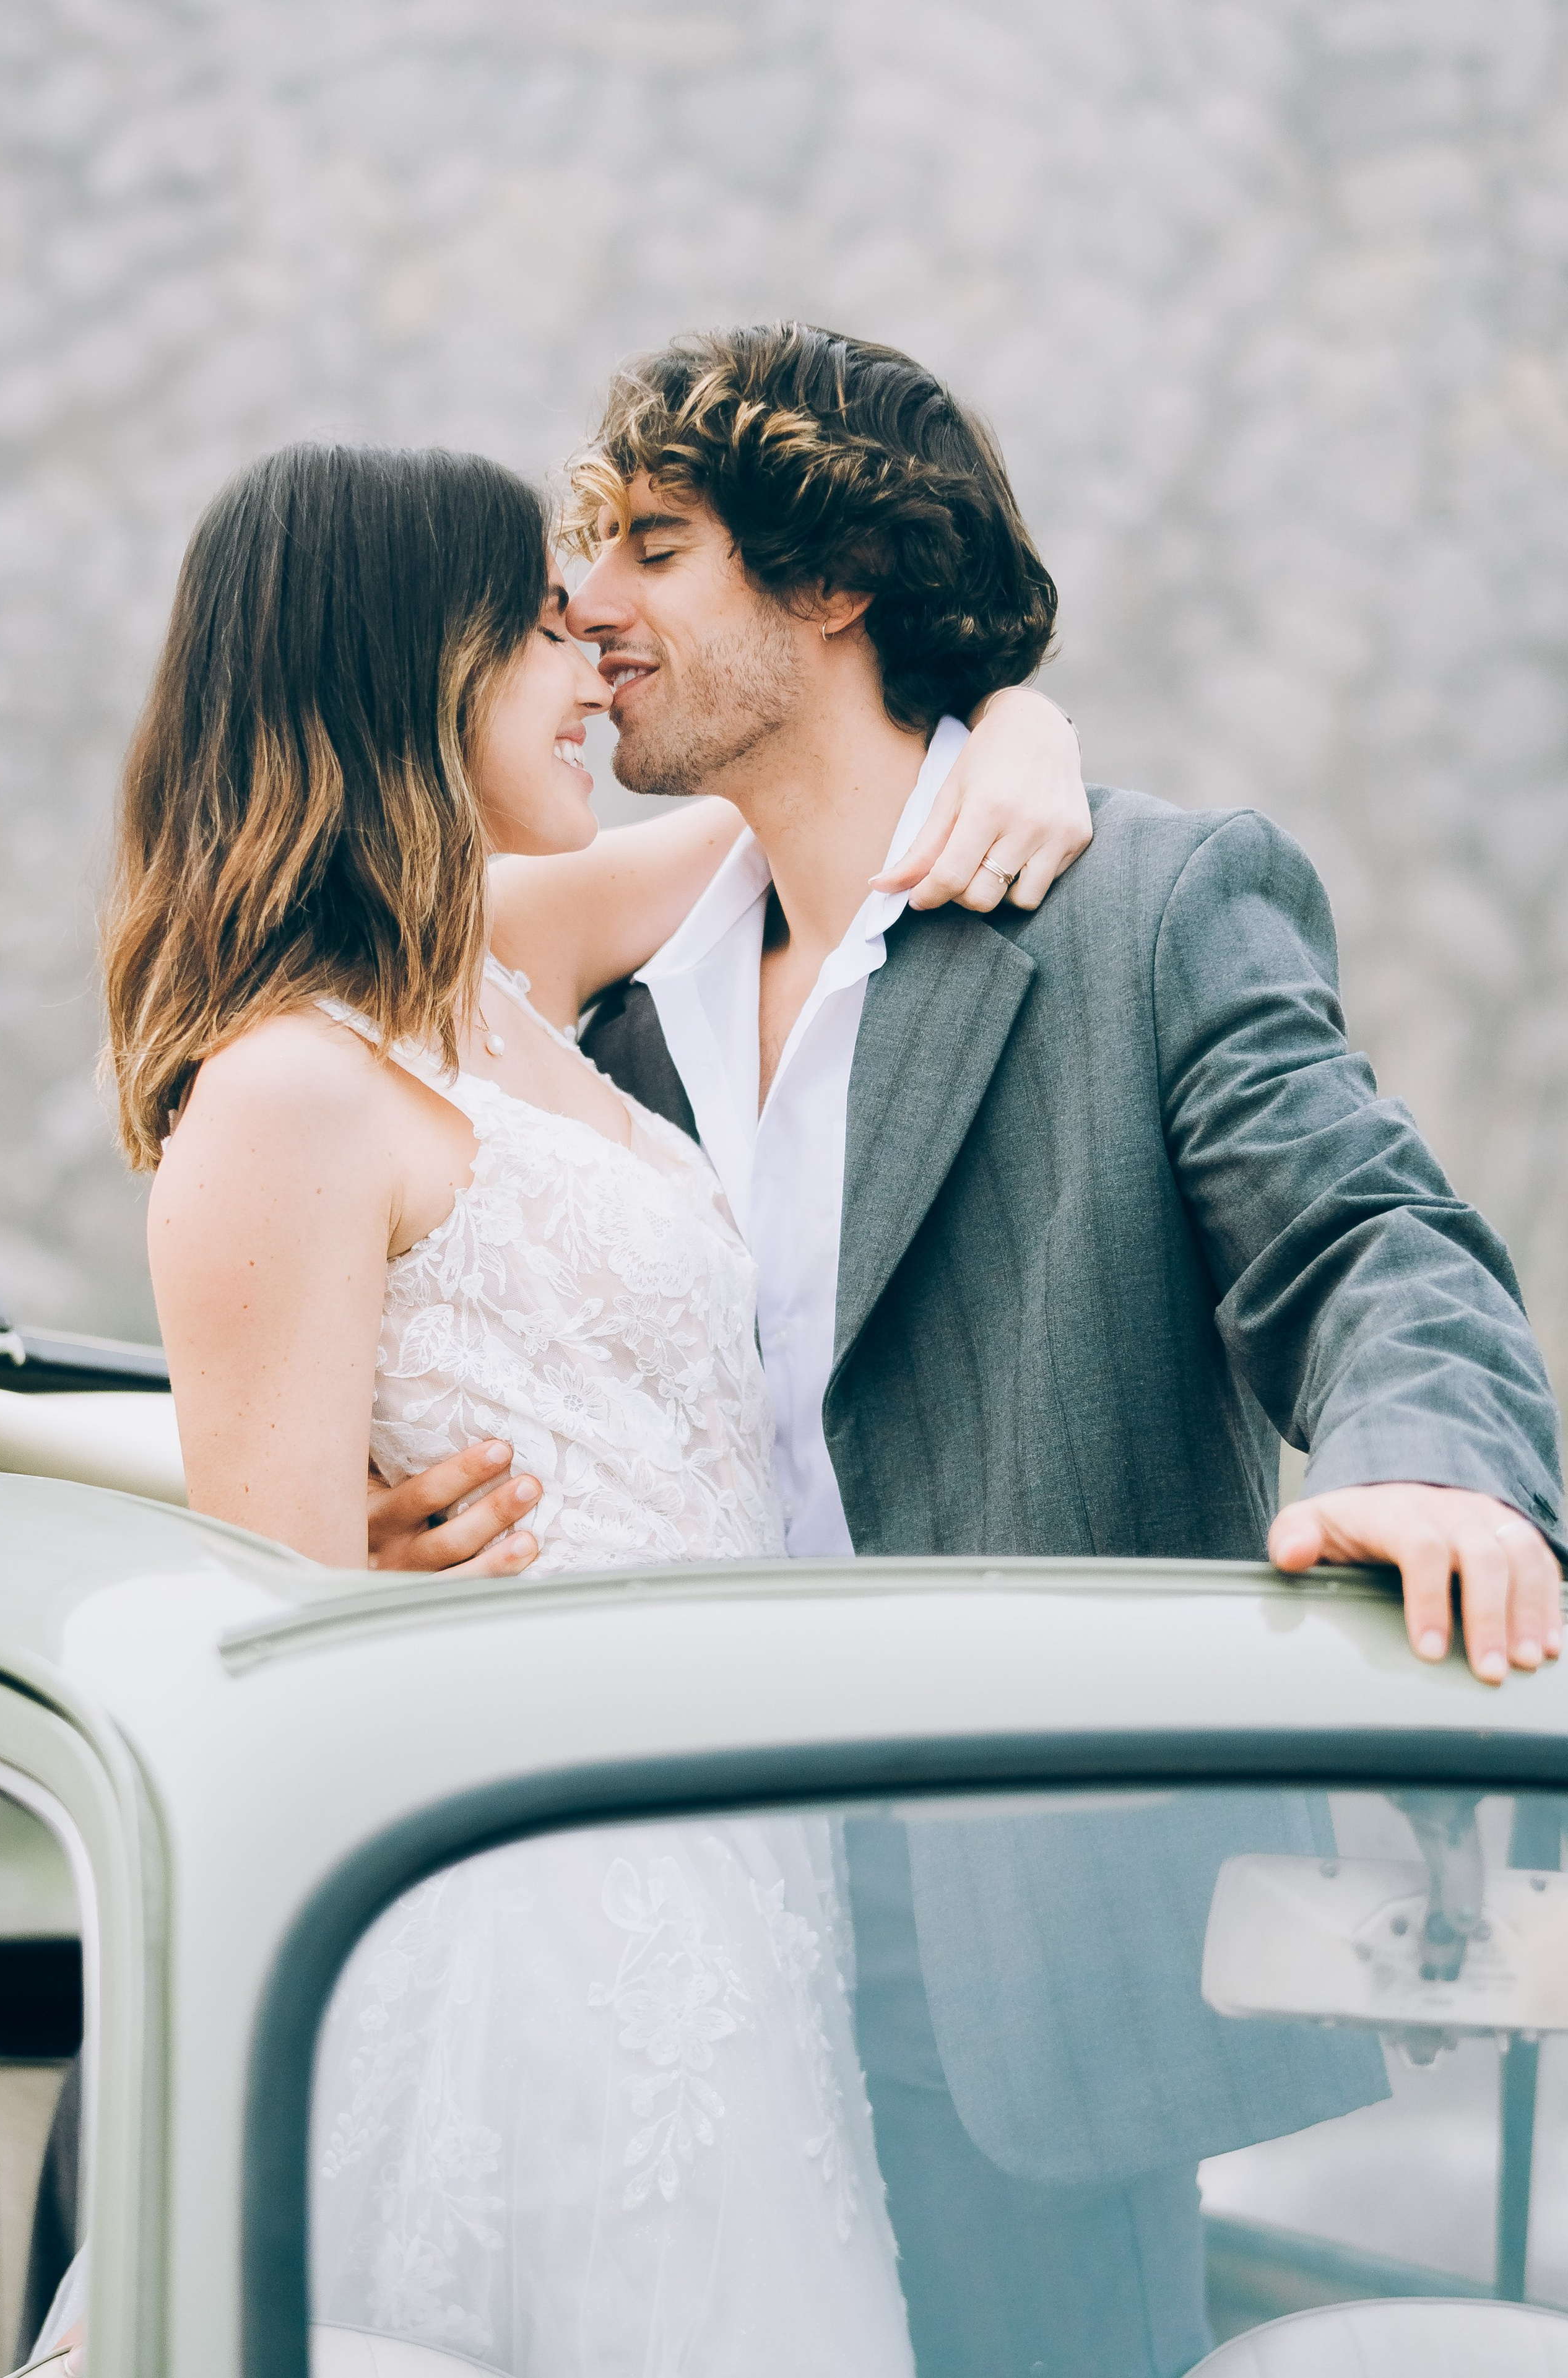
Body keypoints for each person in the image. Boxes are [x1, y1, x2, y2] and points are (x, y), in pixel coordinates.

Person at [365, 323, 1562, 2378]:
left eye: (656, 543)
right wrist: (366, 1522)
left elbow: (1373, 1239)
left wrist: (1435, 1460)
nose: (586, 597)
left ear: (836, 578)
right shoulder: (601, 996)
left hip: (1004, 1948)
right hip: (640, 1913)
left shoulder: (1148, 909)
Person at [39, 438, 1087, 2376]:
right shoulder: (285, 1092)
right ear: (404, 666)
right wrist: (347, 1570)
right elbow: (263, 1674)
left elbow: (845, 797)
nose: (593, 663)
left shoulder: (508, 960)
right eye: (537, 626)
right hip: (514, 1931)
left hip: (740, 1888)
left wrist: (1028, 729)